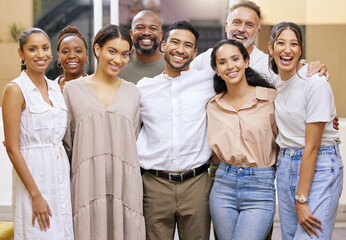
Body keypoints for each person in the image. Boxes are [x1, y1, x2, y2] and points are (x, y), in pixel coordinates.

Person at [63, 24, 145, 240]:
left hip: (124, 184)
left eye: (125, 54)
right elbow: (67, 143)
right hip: (87, 183)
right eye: (112, 51)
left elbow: (132, 138)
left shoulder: (133, 92)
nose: (118, 60)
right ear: (97, 49)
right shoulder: (71, 90)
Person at [138, 21, 215, 240]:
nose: (180, 50)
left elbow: (242, 64)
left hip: (196, 184)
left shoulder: (208, 82)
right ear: (163, 45)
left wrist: (303, 67)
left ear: (195, 52)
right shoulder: (143, 88)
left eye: (187, 45)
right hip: (154, 186)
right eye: (174, 42)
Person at [268, 22, 343, 240]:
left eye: (294, 44)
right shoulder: (276, 81)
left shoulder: (315, 82)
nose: (287, 49)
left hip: (318, 164)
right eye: (281, 43)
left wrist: (302, 199)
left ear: (301, 49)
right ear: (271, 48)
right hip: (285, 165)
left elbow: (312, 146)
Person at [2, 28, 74, 239]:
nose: (40, 54)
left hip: (60, 176)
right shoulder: (15, 89)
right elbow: (13, 149)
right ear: (21, 54)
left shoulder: (56, 89)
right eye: (32, 49)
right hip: (34, 178)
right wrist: (35, 195)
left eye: (45, 48)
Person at [207, 39, 277, 240]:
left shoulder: (271, 99)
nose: (230, 66)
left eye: (235, 59)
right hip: (223, 185)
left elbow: (291, 133)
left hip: (260, 185)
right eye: (222, 62)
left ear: (246, 61)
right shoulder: (212, 106)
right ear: (216, 69)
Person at [118, 10, 164, 83]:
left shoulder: (171, 66)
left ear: (161, 35)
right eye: (140, 28)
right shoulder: (119, 65)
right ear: (131, 34)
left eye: (153, 28)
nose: (146, 32)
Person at [55, 25, 89, 91]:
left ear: (86, 56)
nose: (72, 56)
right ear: (59, 58)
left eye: (78, 51)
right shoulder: (50, 90)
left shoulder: (97, 88)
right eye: (65, 51)